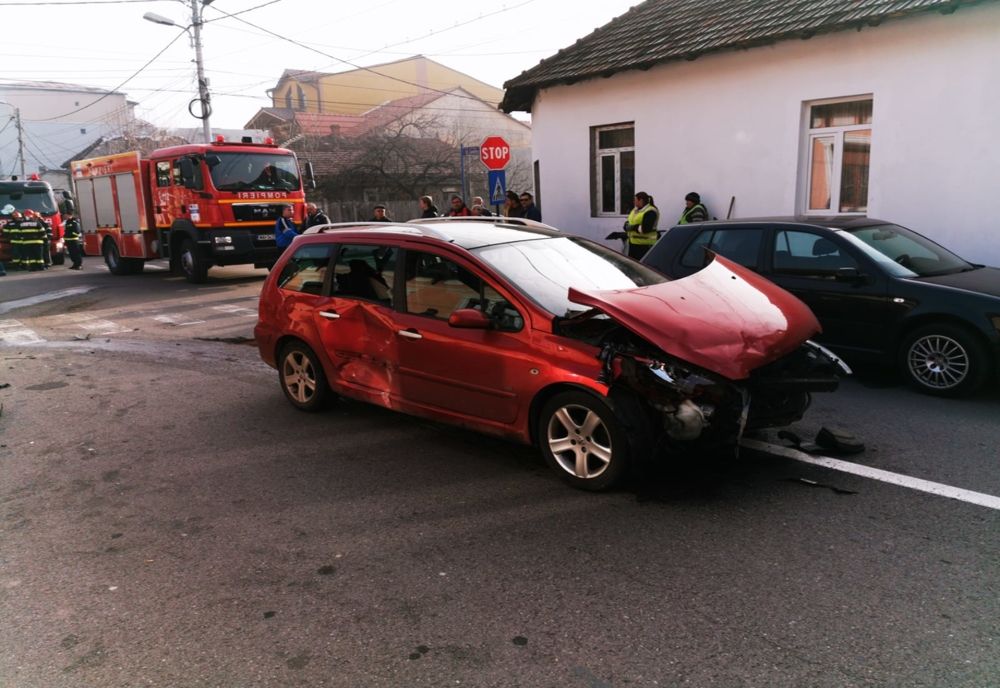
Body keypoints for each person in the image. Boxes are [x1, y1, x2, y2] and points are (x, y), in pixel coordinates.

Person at [622, 191, 659, 259]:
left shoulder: (651, 211)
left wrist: (632, 227)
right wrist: (626, 225)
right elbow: (629, 221)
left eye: (635, 200)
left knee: (641, 264)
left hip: (645, 245)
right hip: (633, 243)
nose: (634, 202)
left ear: (641, 200)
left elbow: (645, 229)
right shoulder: (635, 210)